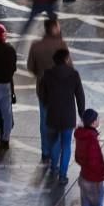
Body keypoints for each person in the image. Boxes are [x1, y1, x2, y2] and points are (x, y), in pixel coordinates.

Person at [38, 48, 85, 183]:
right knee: (66, 145)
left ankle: (54, 167)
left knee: (54, 141)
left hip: (52, 114)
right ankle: (63, 175)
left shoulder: (47, 74)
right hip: (68, 115)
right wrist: (81, 113)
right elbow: (80, 95)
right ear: (66, 59)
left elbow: (43, 94)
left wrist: (47, 104)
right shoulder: (74, 74)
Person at [26, 19, 68, 165]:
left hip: (43, 89)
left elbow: (30, 67)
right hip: (60, 91)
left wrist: (40, 74)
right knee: (58, 122)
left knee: (44, 121)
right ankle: (56, 152)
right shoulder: (61, 45)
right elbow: (69, 67)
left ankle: (45, 152)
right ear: (54, 28)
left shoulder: (36, 46)